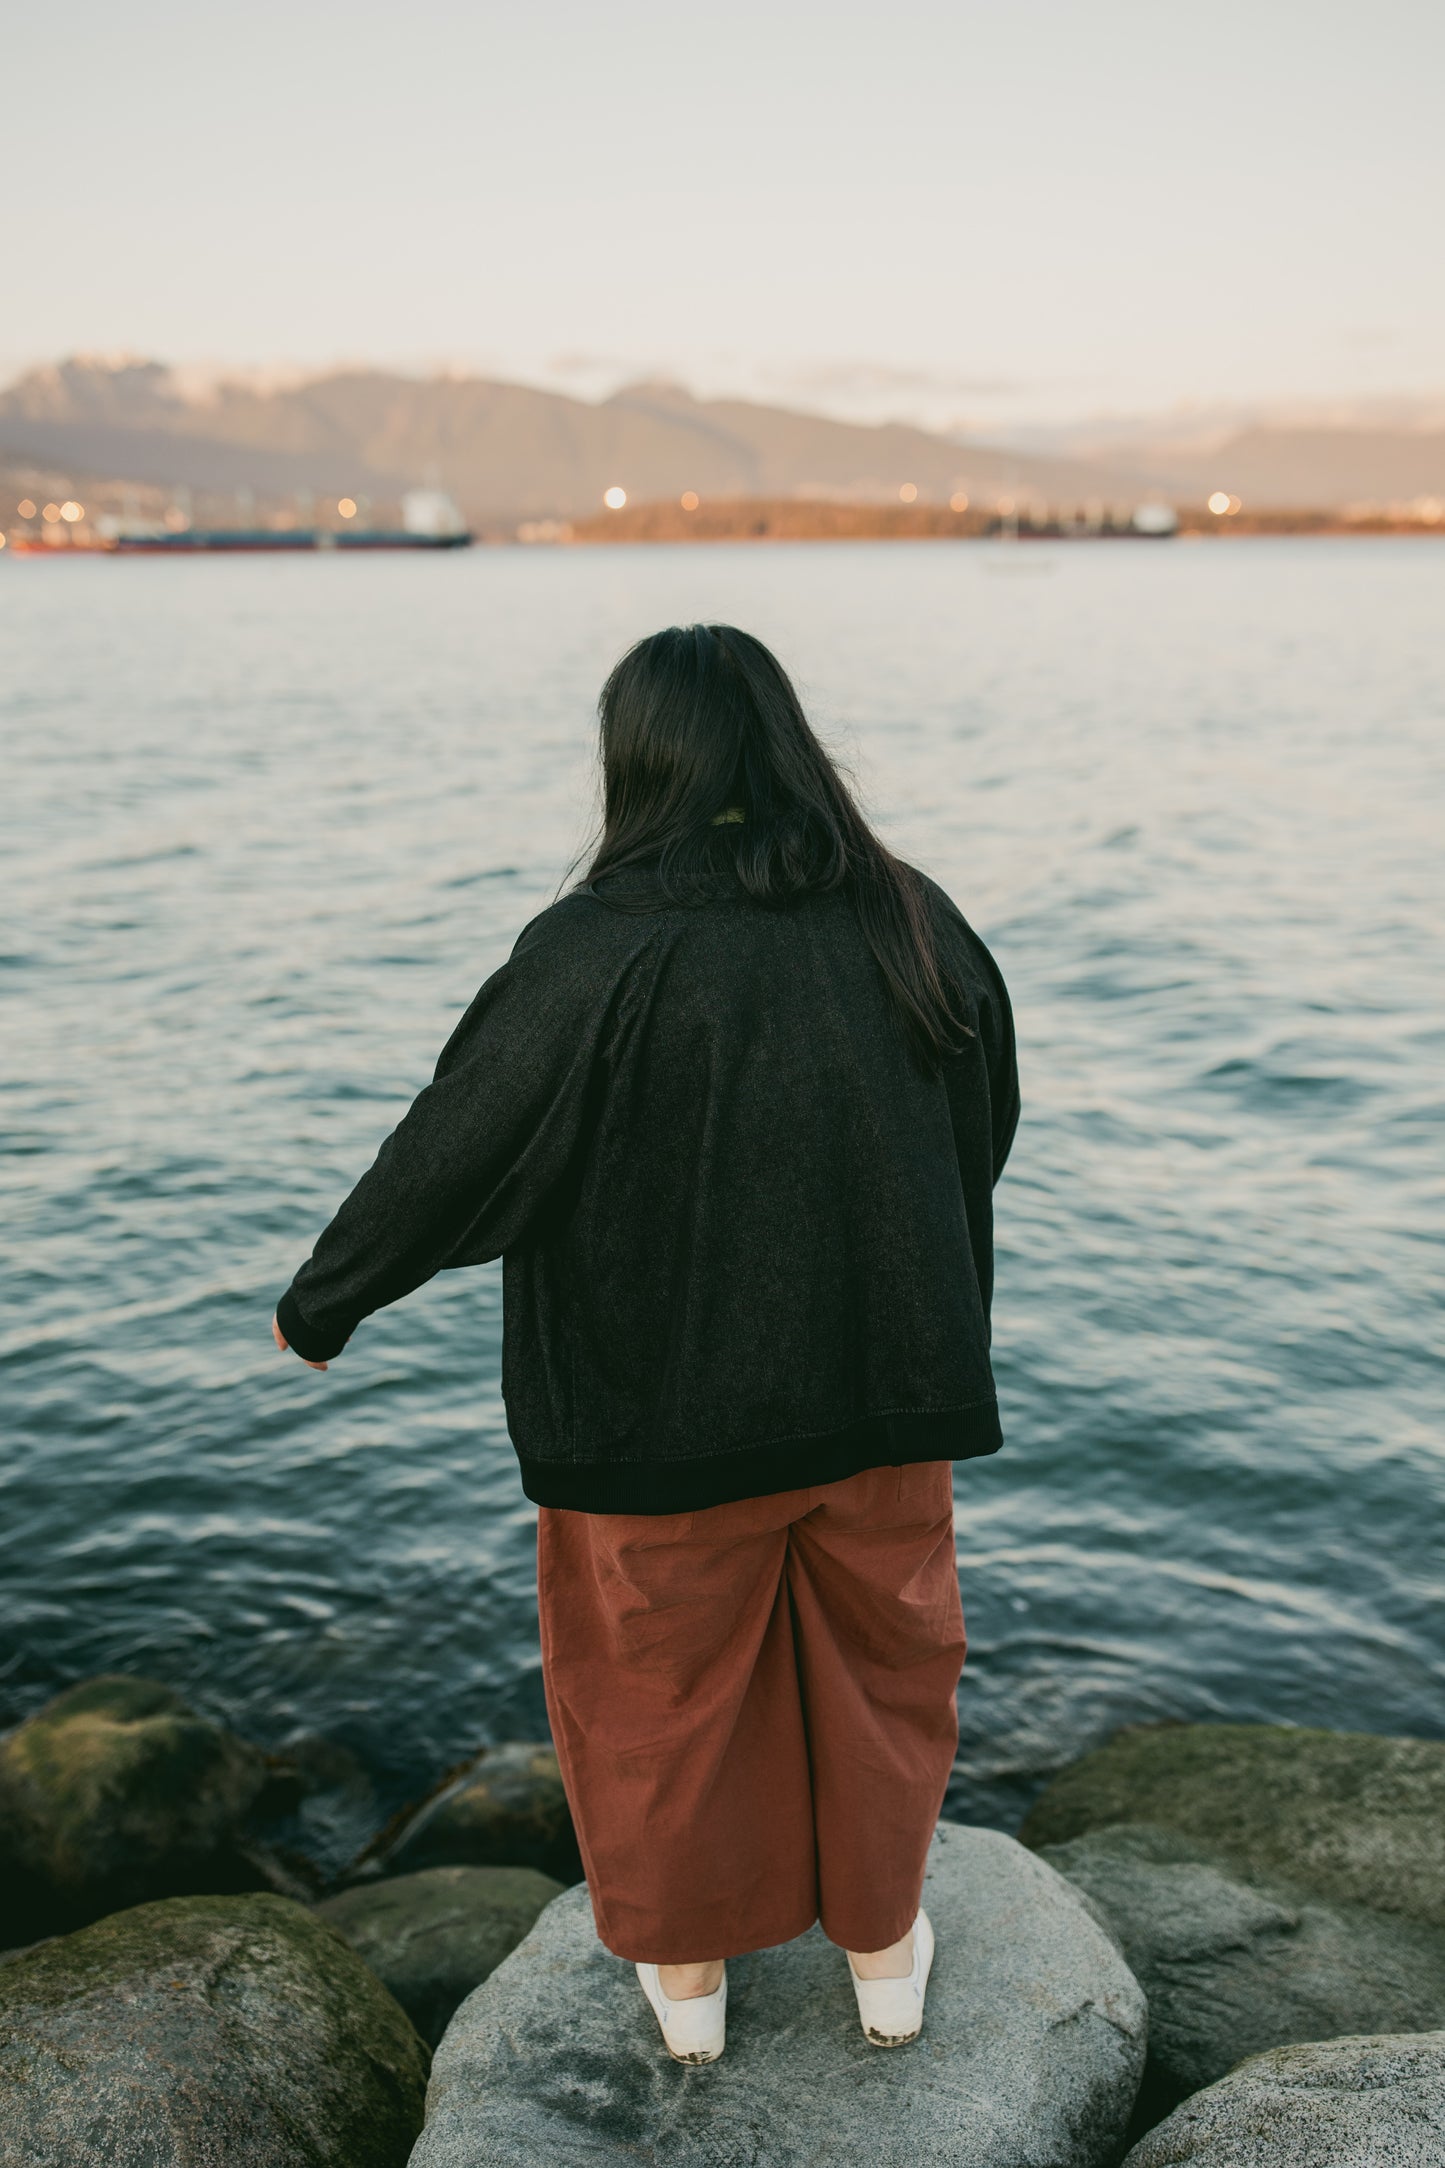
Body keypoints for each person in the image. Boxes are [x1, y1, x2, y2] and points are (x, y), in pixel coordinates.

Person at [273, 624, 1018, 2064]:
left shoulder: (592, 949)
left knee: (653, 1706)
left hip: (648, 1427)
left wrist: (326, 1304)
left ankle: (688, 1991)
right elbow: (976, 1127)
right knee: (884, 1681)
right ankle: (882, 1958)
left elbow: (454, 1148)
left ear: (637, 763)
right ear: (788, 745)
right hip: (887, 1398)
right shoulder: (910, 915)